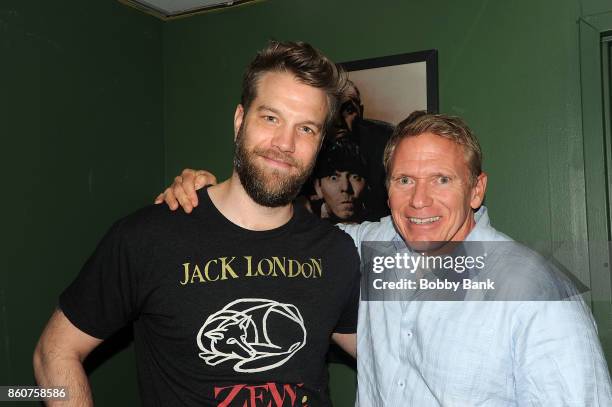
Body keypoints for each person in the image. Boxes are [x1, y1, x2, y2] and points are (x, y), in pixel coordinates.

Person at [159, 111, 612, 405]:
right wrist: (213, 193)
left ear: (476, 189)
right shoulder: (373, 247)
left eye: (441, 180)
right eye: (403, 181)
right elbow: (283, 233)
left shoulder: (538, 293)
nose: (420, 201)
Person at [33, 41, 362, 407]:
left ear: (319, 144)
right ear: (240, 121)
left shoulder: (337, 251)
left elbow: (387, 352)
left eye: (306, 129)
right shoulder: (148, 238)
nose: (284, 143)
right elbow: (53, 352)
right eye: (271, 118)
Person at [310, 137, 369, 223]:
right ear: (318, 187)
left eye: (354, 177)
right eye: (334, 178)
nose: (345, 187)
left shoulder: (378, 225)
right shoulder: (305, 221)